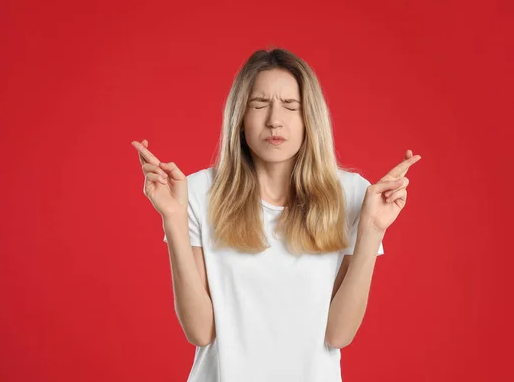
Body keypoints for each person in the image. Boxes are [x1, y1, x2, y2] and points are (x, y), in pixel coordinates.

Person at [131, 48, 421, 382]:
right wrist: (174, 218)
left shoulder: (352, 194)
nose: (274, 120)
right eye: (259, 104)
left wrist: (372, 228)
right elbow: (200, 332)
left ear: (309, 117)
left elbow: (338, 335)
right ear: (240, 117)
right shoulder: (196, 192)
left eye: (290, 105)